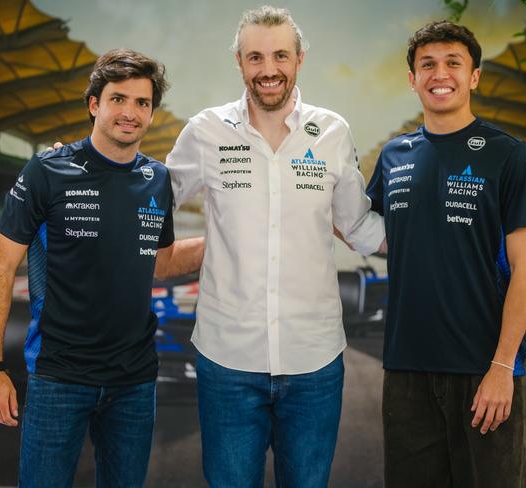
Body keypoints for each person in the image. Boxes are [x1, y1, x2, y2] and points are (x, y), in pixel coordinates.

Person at [165, 5, 384, 487]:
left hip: (314, 361)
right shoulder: (205, 131)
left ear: (300, 59)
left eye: (280, 55)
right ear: (239, 63)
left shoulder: (332, 132)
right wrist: (89, 165)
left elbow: (358, 224)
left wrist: (431, 237)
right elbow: (151, 198)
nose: (269, 70)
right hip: (227, 361)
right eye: (255, 57)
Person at [0, 48, 203, 488]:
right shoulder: (47, 169)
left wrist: (227, 242)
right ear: (94, 104)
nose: (131, 113)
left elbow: (162, 263)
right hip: (59, 377)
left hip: (133, 382)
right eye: (119, 99)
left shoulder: (156, 179)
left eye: (142, 103)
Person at [365, 21, 526, 488]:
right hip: (406, 374)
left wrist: (503, 367)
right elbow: (369, 231)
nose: (438, 73)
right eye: (427, 64)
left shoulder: (508, 154)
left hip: (483, 370)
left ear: (474, 77)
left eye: (452, 63)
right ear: (412, 79)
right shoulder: (393, 156)